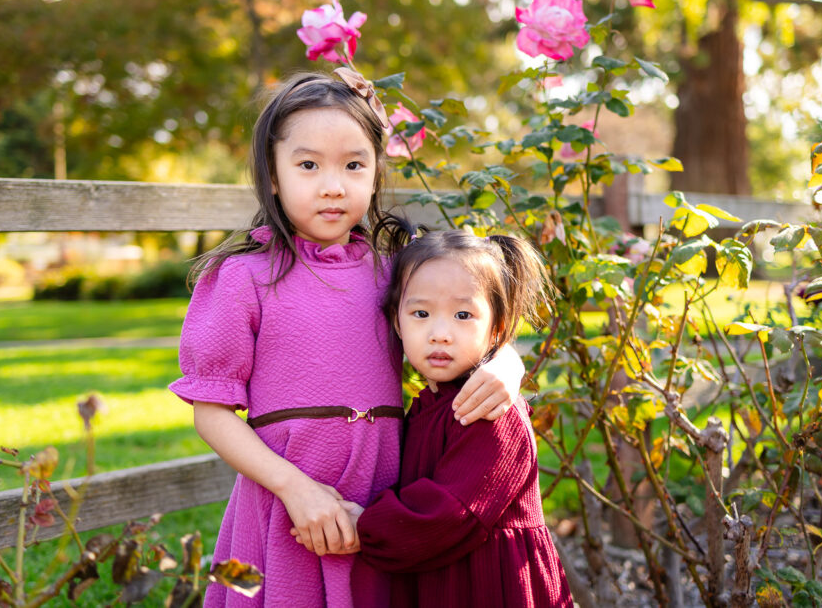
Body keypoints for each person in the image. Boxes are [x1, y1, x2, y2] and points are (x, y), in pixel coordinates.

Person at [168, 69, 524, 608]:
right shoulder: (243, 278)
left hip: (380, 500)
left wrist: (506, 364)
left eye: (354, 165)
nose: (333, 185)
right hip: (285, 506)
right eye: (308, 165)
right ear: (272, 173)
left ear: (376, 170)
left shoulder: (395, 271)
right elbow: (210, 412)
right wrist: (295, 489)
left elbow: (468, 318)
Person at [317, 222, 574, 607]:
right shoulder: (425, 407)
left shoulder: (490, 411)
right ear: (396, 322)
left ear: (497, 329)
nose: (440, 333)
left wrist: (362, 527)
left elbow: (450, 514)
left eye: (463, 316)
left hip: (492, 586)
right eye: (420, 313)